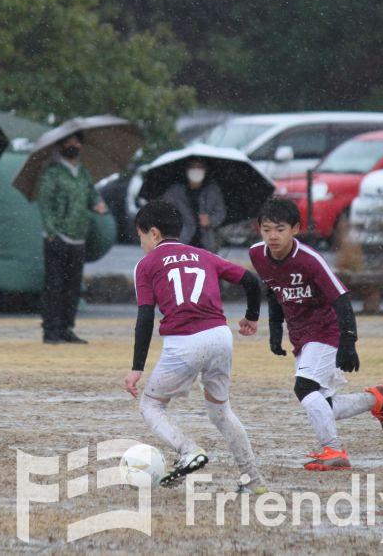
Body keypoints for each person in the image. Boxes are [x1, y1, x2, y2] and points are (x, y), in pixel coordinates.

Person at [123, 201, 267, 493]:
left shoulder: (146, 265)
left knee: (151, 405)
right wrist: (252, 316)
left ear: (154, 233)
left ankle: (188, 451)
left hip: (184, 342)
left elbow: (145, 317)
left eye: (141, 237)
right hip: (220, 336)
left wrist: (137, 368)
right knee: (221, 412)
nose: (141, 244)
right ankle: (254, 481)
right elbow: (251, 280)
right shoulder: (203, 255)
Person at [247, 198, 383, 471]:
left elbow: (341, 298)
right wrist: (275, 330)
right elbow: (273, 290)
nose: (272, 236)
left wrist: (348, 340)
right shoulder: (257, 254)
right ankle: (375, 399)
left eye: (280, 229)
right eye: (266, 229)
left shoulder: (309, 260)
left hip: (326, 330)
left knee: (304, 388)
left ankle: (334, 450)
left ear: (295, 229)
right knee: (323, 404)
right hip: (301, 335)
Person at [37, 132, 107, 344]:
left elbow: (91, 194)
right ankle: (51, 329)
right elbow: (45, 204)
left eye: (76, 142)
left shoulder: (83, 173)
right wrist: (51, 232)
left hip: (78, 237)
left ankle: (66, 327)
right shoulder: (53, 173)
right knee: (54, 285)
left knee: (73, 286)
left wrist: (98, 203)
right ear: (60, 146)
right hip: (58, 237)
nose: (73, 146)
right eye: (69, 142)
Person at [158, 158, 227, 251]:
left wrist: (210, 220)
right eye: (193, 167)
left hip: (206, 242)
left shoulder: (212, 190)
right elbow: (164, 211)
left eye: (199, 167)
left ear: (205, 170)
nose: (196, 170)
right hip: (182, 241)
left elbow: (221, 212)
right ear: (187, 169)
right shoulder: (175, 191)